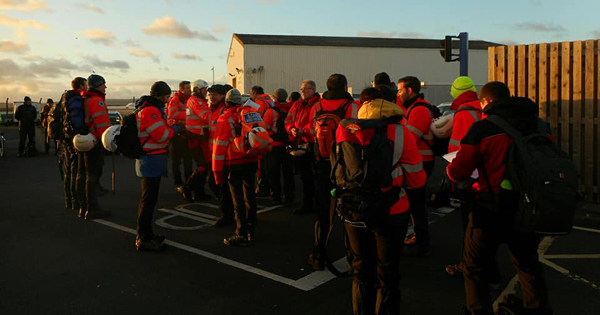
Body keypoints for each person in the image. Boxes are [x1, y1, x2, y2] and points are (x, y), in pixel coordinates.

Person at [447, 96, 553, 315]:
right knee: (527, 263)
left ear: (487, 102)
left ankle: (478, 310)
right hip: (528, 206)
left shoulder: (483, 129)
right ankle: (537, 309)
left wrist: (451, 172)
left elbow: (460, 170)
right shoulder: (541, 128)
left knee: (474, 266)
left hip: (490, 206)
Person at [343, 87, 426, 315]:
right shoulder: (402, 132)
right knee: (387, 272)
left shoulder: (346, 130)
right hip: (392, 210)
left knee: (360, 270)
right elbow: (417, 180)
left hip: (354, 209)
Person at [308, 73, 360, 270]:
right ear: (345, 86)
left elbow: (313, 131)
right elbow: (356, 133)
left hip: (322, 163)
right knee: (349, 209)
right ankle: (352, 255)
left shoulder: (318, 106)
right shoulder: (352, 106)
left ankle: (318, 254)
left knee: (323, 212)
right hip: (345, 164)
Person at [444, 77, 486, 277]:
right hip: (487, 174)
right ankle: (488, 268)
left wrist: (454, 173)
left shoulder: (463, 112)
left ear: (455, 92)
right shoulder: (482, 107)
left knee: (469, 225)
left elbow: (459, 147)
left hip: (467, 174)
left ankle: (469, 265)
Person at [212, 89, 262, 246]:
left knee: (237, 198)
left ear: (227, 102)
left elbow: (219, 146)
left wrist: (216, 170)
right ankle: (252, 227)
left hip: (234, 163)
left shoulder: (225, 118)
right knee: (250, 194)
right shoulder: (251, 114)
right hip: (251, 158)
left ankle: (240, 232)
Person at [134, 81, 176, 251]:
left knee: (149, 200)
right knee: (148, 201)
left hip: (149, 160)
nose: (168, 100)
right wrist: (175, 130)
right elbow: (161, 135)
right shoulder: (151, 111)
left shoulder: (148, 109)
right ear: (159, 95)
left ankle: (147, 234)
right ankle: (143, 237)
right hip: (150, 161)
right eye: (166, 96)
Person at [397, 76, 433, 256]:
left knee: (417, 206)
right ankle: (418, 238)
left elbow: (409, 138)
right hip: (417, 162)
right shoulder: (412, 108)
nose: (398, 94)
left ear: (409, 90)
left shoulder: (419, 110)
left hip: (420, 164)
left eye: (400, 90)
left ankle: (421, 243)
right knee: (414, 206)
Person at [78, 74, 111, 220]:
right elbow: (103, 126)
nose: (105, 86)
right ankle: (92, 209)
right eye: (103, 84)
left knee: (85, 175)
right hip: (95, 143)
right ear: (98, 85)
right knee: (93, 176)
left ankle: (84, 206)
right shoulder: (97, 101)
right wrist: (108, 141)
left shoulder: (86, 99)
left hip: (86, 142)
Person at [284, 80, 320, 214]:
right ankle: (307, 203)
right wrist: (291, 129)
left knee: (315, 176)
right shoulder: (296, 105)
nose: (303, 91)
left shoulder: (317, 104)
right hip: (299, 143)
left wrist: (303, 131)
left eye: (306, 89)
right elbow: (288, 120)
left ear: (313, 89)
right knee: (305, 176)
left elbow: (316, 123)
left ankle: (317, 203)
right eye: (301, 89)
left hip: (312, 144)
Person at [178, 79, 211, 201]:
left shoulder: (195, 100)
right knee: (203, 165)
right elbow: (207, 117)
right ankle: (187, 187)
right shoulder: (197, 102)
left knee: (202, 165)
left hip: (196, 136)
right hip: (197, 137)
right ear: (197, 89)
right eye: (204, 89)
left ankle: (199, 192)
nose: (206, 92)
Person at [208, 84, 235, 226]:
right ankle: (229, 210)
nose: (212, 97)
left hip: (224, 154)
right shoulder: (212, 109)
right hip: (215, 153)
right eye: (211, 94)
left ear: (223, 96)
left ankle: (228, 214)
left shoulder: (223, 110)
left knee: (219, 184)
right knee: (219, 184)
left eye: (215, 95)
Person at [60, 77, 88, 214]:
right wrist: (82, 132)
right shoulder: (76, 99)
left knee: (67, 172)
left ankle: (68, 200)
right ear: (81, 86)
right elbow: (77, 121)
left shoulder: (64, 98)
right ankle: (75, 201)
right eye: (86, 85)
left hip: (64, 138)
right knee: (75, 171)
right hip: (73, 139)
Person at [262, 88, 294, 205]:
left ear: (274, 98)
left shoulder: (271, 112)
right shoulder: (291, 109)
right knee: (288, 173)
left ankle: (276, 197)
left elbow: (264, 127)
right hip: (287, 145)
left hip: (274, 146)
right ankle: (289, 197)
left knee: (273, 173)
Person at [249, 85, 275, 197]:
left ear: (255, 93)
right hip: (271, 136)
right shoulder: (270, 101)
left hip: (261, 135)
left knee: (261, 164)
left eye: (251, 94)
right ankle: (267, 187)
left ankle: (262, 188)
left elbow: (253, 120)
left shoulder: (258, 104)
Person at [448, 76, 484, 153]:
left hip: (466, 160)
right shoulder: (481, 106)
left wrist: (452, 162)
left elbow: (457, 144)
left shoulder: (463, 112)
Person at [167, 81, 193, 188]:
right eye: (187, 88)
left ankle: (189, 181)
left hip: (187, 133)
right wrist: (188, 115)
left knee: (188, 160)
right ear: (182, 89)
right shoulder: (175, 100)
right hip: (177, 135)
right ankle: (178, 181)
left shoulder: (190, 100)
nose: (190, 90)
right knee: (176, 161)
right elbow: (172, 113)